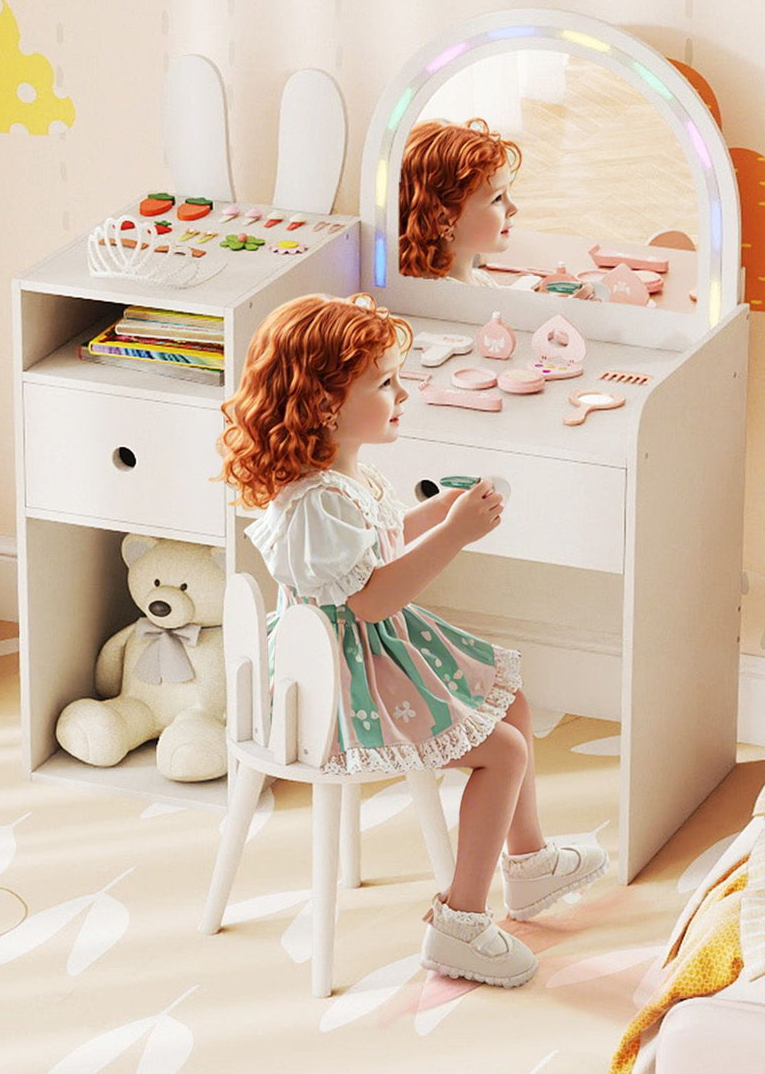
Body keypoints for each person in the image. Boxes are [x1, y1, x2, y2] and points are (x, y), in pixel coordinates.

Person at [218, 293, 608, 989]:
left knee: (509, 699)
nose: (403, 395)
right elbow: (371, 598)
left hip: (367, 652)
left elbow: (380, 542)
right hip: (340, 680)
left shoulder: (344, 477)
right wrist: (455, 535)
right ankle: (460, 924)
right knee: (504, 752)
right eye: (384, 383)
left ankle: (527, 863)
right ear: (327, 406)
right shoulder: (316, 503)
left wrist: (438, 514)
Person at [399, 118, 522, 286]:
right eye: (497, 198)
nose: (514, 208)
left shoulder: (479, 280)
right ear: (443, 219)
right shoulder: (444, 295)